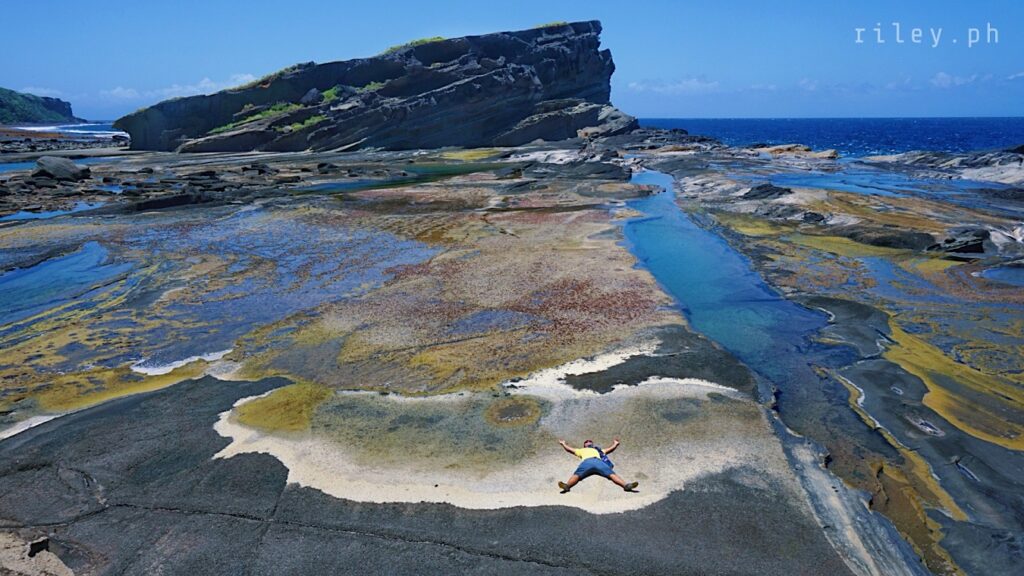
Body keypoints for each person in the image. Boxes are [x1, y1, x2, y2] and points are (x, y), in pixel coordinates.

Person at [557, 438, 638, 493]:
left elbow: (610, 449)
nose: (588, 442)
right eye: (586, 442)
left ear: (592, 444)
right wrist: (563, 444)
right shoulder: (581, 450)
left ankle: (626, 486)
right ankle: (567, 486)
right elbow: (569, 449)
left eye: (590, 441)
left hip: (599, 462)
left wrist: (615, 444)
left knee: (612, 474)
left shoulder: (599, 451)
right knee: (577, 475)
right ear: (584, 445)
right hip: (587, 462)